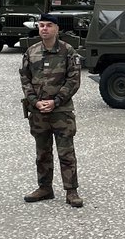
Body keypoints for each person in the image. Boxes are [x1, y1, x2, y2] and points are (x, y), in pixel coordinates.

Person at [19, 13, 83, 208]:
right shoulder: (31, 52)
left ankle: (71, 190)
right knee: (42, 152)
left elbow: (73, 80)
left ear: (56, 29)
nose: (44, 29)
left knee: (66, 151)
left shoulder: (68, 51)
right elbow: (25, 79)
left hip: (61, 111)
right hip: (38, 111)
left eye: (48, 26)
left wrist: (56, 101)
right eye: (41, 26)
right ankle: (44, 187)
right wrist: (34, 101)